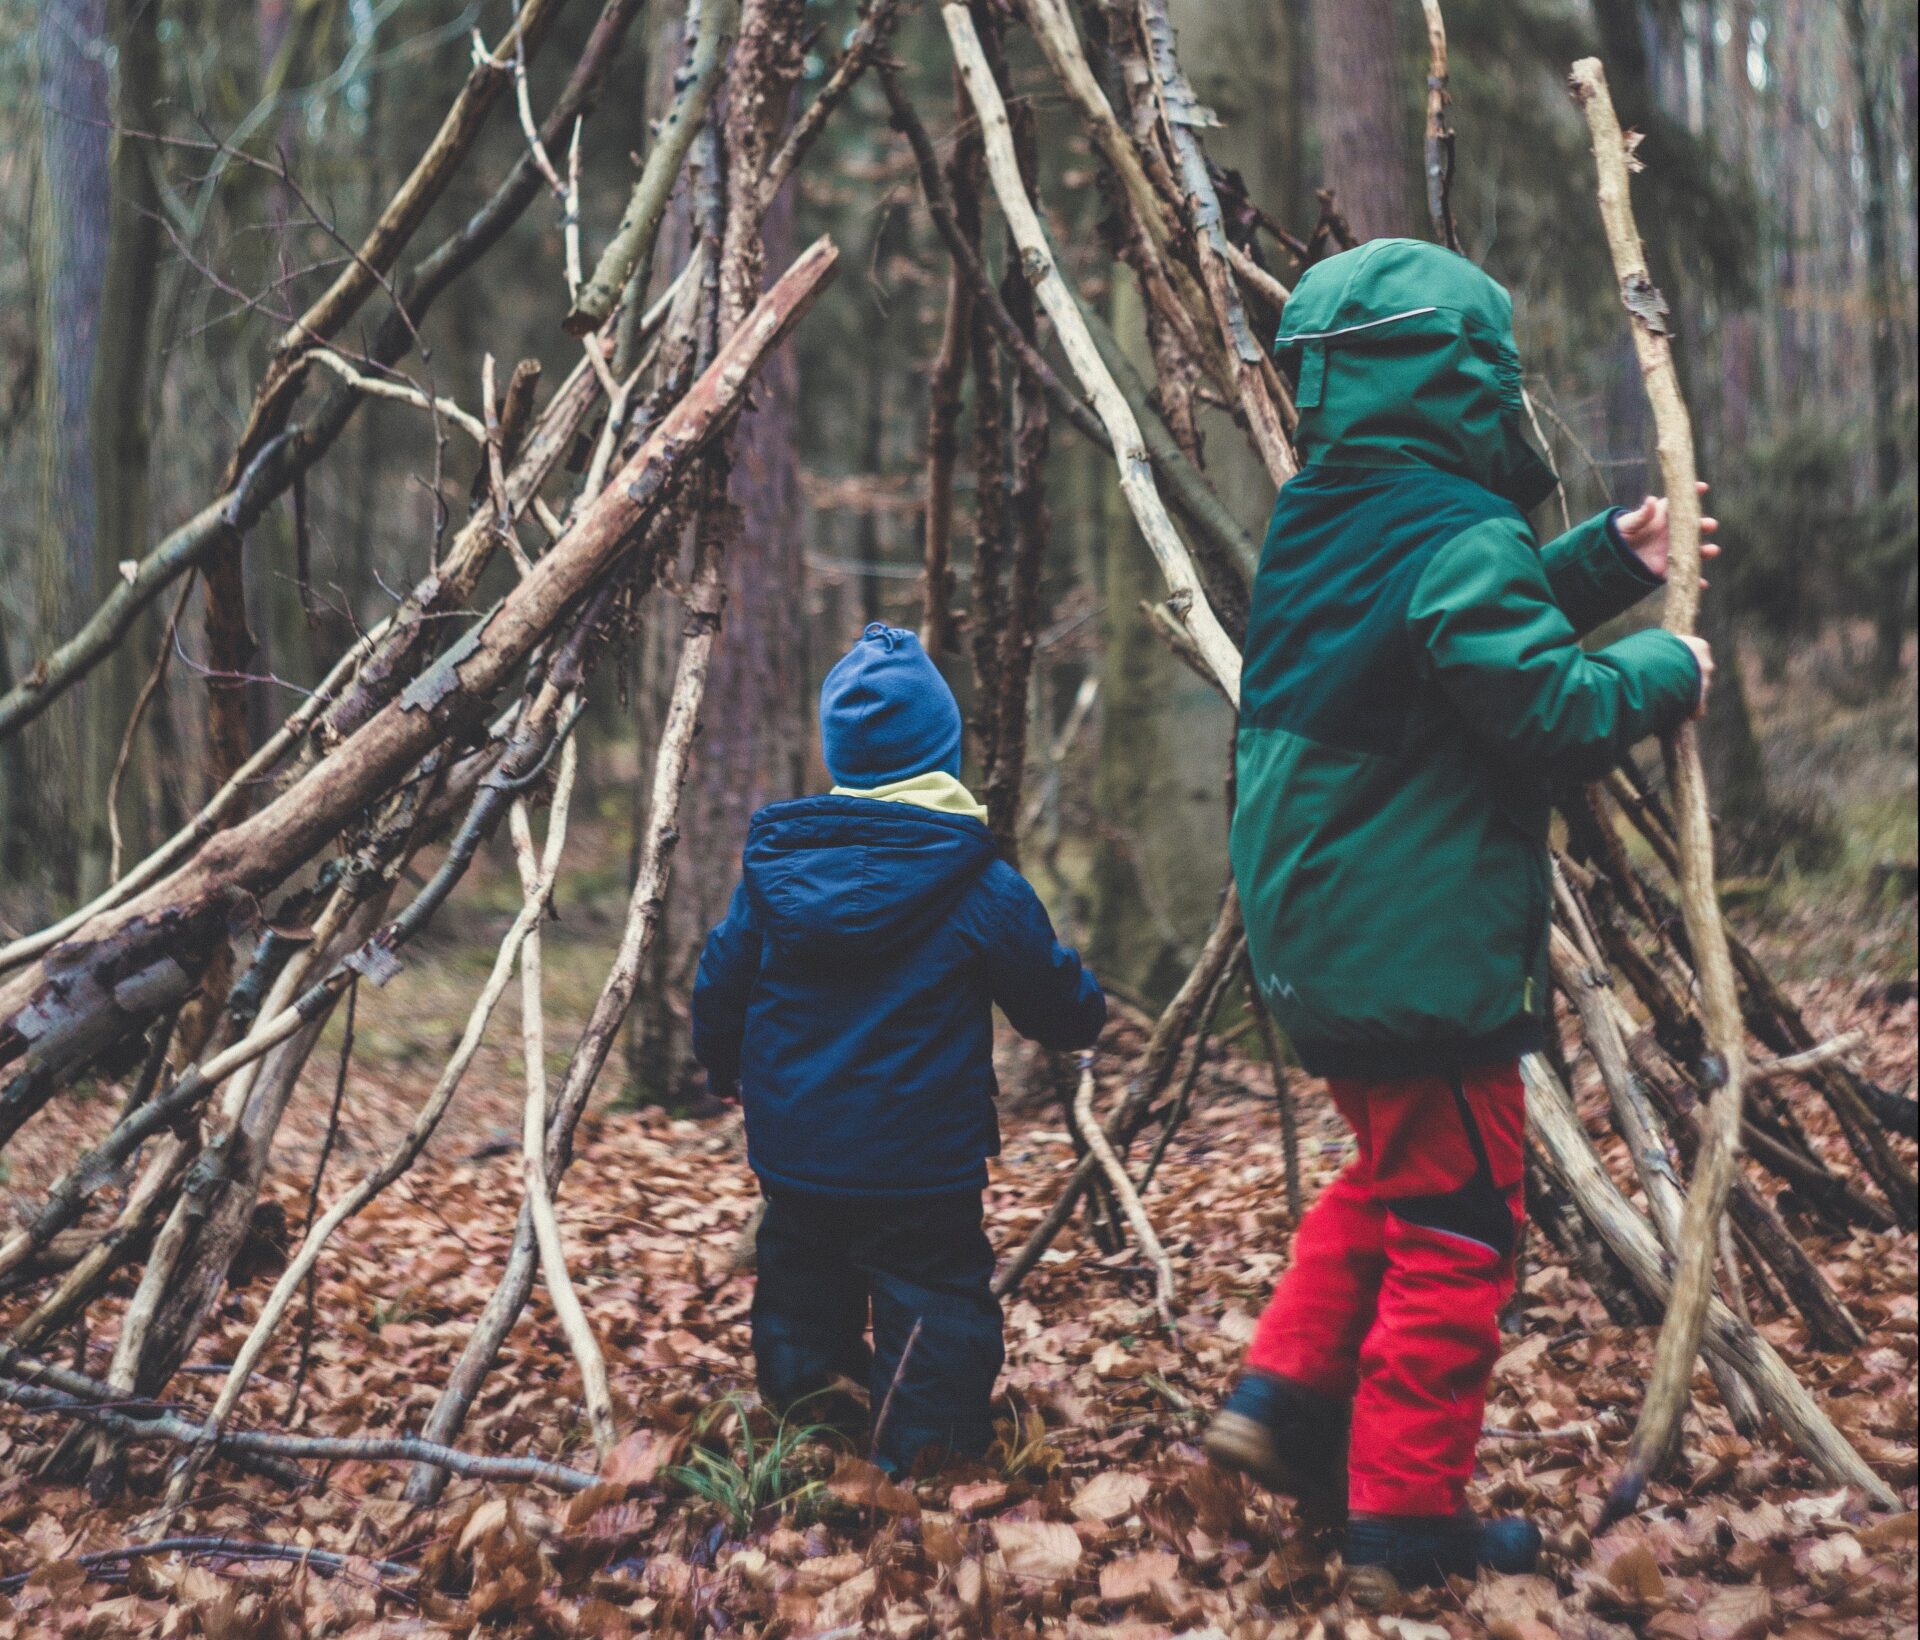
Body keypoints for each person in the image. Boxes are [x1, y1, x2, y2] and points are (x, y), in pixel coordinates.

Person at [1206, 239, 1717, 1595]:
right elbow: (1541, 707)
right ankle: (1405, 1520)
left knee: (1393, 1174)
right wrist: (1667, 664)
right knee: (1461, 1227)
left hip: (1320, 942)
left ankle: (1283, 1398)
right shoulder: (1456, 530)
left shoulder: (1325, 518)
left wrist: (1609, 560)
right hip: (1414, 950)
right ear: (1463, 376)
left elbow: (1462, 631)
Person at [691, 622, 1106, 1474]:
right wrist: (1084, 1011)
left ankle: (810, 1432)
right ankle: (926, 1459)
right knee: (933, 1298)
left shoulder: (777, 876)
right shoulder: (978, 883)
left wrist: (722, 1066)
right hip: (923, 1160)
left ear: (841, 753)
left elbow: (719, 982)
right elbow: (1052, 1000)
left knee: (803, 1287)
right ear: (942, 752)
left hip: (798, 1147)